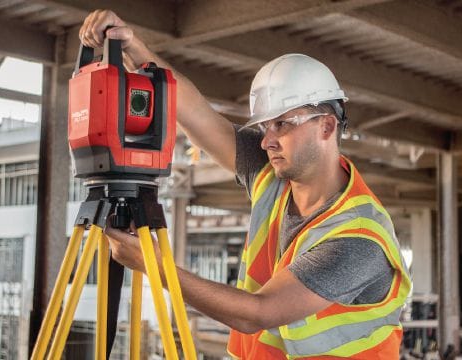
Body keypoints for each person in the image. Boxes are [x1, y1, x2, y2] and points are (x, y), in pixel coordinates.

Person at [82, 10, 412, 359]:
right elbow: (197, 113)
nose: (267, 140)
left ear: (327, 127)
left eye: (282, 124)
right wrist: (135, 48)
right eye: (265, 126)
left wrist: (154, 266)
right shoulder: (273, 176)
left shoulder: (359, 238)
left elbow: (258, 313)